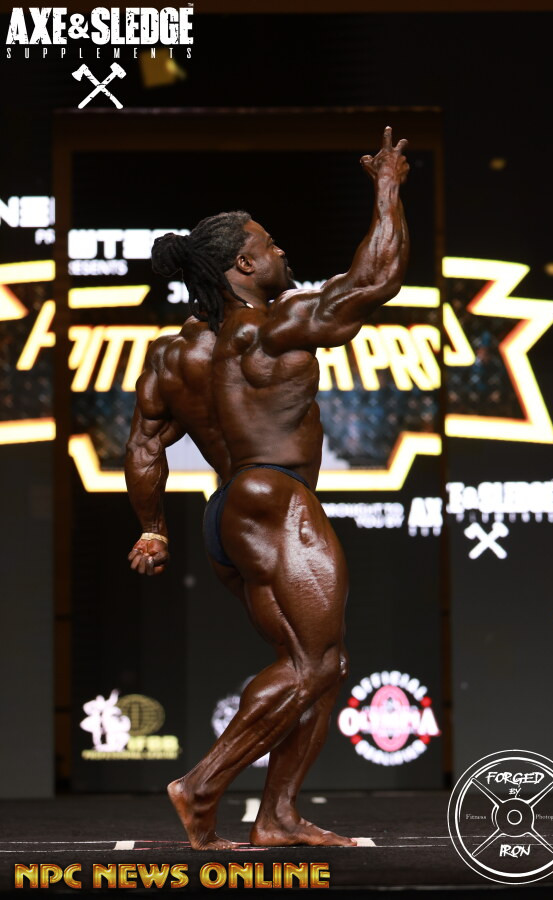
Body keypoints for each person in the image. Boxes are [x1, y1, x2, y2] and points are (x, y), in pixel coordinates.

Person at [125, 126, 410, 849]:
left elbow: (146, 443)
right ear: (245, 264)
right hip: (273, 497)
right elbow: (375, 281)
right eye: (272, 245)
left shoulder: (179, 352)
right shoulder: (268, 328)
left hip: (230, 511)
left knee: (319, 667)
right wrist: (387, 186)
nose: (283, 253)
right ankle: (201, 785)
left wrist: (152, 527)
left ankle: (276, 817)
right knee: (317, 663)